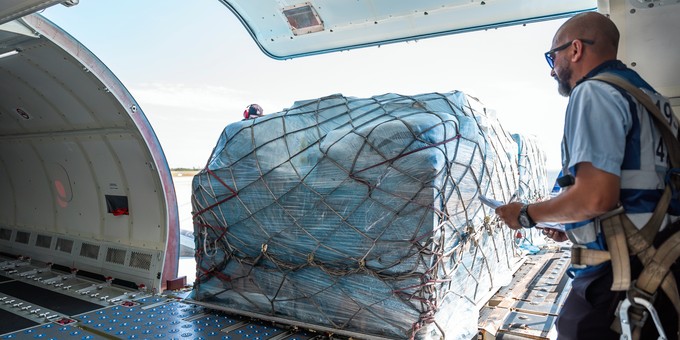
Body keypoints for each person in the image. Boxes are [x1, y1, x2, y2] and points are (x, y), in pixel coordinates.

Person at [495, 12, 679, 339]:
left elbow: (595, 197)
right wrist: (573, 226)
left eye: (553, 57)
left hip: (619, 277)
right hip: (664, 265)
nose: (552, 69)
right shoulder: (653, 100)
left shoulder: (593, 92)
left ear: (576, 50)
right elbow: (640, 192)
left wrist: (526, 215)